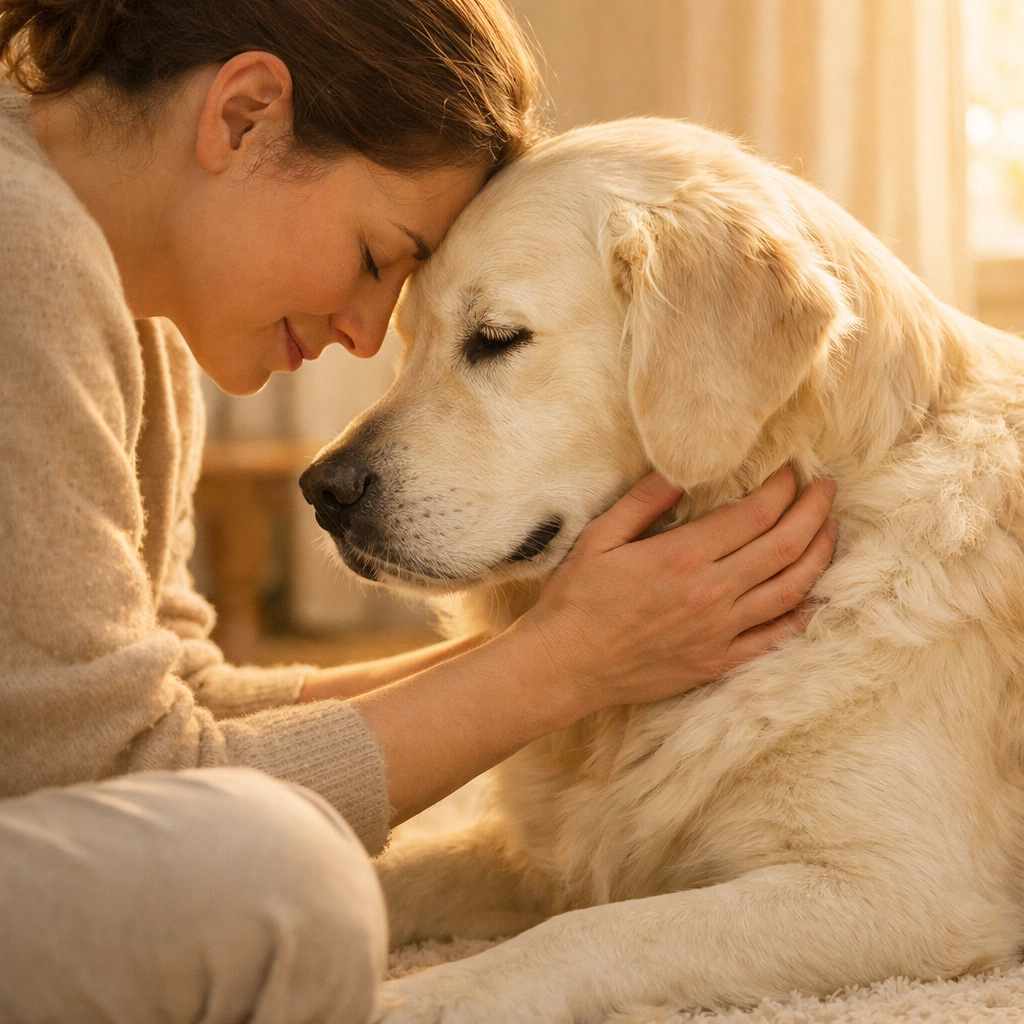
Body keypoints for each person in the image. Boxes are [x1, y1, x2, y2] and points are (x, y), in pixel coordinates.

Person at [0, 1, 838, 1021]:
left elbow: (170, 702)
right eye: (375, 254)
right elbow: (108, 778)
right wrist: (565, 662)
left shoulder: (132, 314)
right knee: (275, 872)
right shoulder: (21, 251)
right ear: (245, 113)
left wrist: (600, 637)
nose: (365, 333)